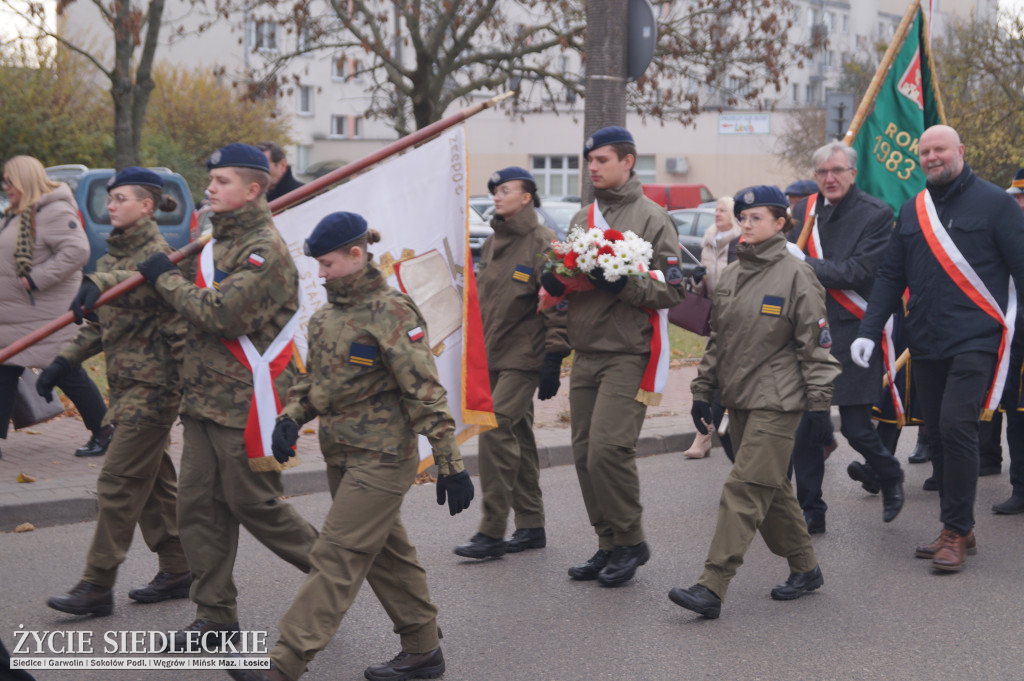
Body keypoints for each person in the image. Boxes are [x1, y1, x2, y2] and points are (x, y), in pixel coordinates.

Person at [226, 212, 474, 681]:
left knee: (336, 555)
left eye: (328, 263)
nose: (321, 274)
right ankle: (423, 651)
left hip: (383, 459)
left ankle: (284, 662)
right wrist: (289, 417)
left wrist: (449, 462)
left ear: (357, 255)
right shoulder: (325, 319)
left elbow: (424, 390)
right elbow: (314, 384)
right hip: (341, 457)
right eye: (318, 266)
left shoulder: (393, 312)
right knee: (386, 554)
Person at [136, 143, 319, 647]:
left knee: (256, 506)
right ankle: (215, 618)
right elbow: (178, 294)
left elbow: (220, 314)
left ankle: (336, 574)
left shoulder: (265, 249)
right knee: (196, 509)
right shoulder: (216, 241)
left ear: (253, 189)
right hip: (203, 400)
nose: (210, 187)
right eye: (211, 180)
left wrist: (164, 280)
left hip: (244, 402)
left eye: (222, 182)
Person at [853, 125, 1024, 572]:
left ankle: (953, 532)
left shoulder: (998, 204)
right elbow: (892, 275)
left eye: (940, 149)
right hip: (926, 340)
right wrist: (869, 331)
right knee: (937, 434)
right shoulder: (913, 210)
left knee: (956, 426)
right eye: (925, 151)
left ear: (960, 152)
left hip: (977, 339)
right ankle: (960, 526)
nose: (932, 157)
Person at [669, 185, 840, 619]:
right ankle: (805, 568)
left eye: (756, 218)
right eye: (742, 217)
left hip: (779, 402)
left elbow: (816, 348)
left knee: (743, 490)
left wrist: (819, 408)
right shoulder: (733, 273)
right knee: (773, 489)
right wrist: (702, 390)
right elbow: (718, 340)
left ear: (781, 223)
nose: (746, 224)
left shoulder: (797, 275)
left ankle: (712, 585)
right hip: (739, 399)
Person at [41, 167, 191, 618]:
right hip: (127, 388)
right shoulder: (110, 257)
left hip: (156, 390)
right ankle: (179, 566)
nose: (110, 204)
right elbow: (99, 326)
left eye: (120, 198)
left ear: (147, 205)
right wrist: (64, 361)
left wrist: (99, 284)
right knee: (155, 484)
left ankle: (96, 583)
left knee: (118, 482)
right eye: (109, 198)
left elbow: (147, 296)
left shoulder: (159, 254)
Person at [540, 126, 684, 586]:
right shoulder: (584, 217)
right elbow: (562, 287)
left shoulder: (653, 218)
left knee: (608, 450)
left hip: (629, 352)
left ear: (628, 161)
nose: (593, 167)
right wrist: (555, 348)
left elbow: (674, 290)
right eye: (590, 161)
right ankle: (608, 543)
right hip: (586, 352)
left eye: (602, 159)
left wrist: (623, 282)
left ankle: (632, 540)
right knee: (583, 454)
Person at [787, 141, 905, 534]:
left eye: (837, 170)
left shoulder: (876, 214)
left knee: (855, 427)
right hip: (808, 332)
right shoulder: (803, 211)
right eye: (821, 172)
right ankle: (812, 509)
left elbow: (858, 272)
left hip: (854, 330)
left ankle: (889, 472)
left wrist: (805, 263)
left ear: (853, 173)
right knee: (809, 426)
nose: (829, 178)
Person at [454, 167, 569, 560]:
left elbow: (558, 304)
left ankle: (491, 531)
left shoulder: (544, 243)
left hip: (526, 355)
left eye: (505, 190)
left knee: (496, 429)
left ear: (527, 197)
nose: (497, 196)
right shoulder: (491, 245)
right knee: (517, 437)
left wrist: (554, 357)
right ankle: (532, 525)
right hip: (494, 353)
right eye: (494, 190)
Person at [0, 155, 112, 460]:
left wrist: (35, 280)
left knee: (67, 373)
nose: (6, 186)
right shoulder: (19, 213)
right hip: (16, 317)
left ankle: (105, 431)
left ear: (25, 180)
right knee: (4, 373)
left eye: (10, 180)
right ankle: (104, 431)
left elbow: (77, 251)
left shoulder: (54, 211)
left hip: (45, 316)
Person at [683, 195, 741, 460]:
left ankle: (712, 432)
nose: (717, 214)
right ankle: (703, 435)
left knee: (720, 376)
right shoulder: (708, 240)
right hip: (714, 318)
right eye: (716, 209)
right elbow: (703, 288)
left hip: (735, 318)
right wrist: (697, 279)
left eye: (722, 210)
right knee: (707, 373)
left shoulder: (740, 243)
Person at [990, 166, 1024, 515]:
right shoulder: (1007, 233)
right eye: (1016, 198)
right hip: (1015, 339)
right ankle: (1021, 486)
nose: (1019, 203)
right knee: (1017, 417)